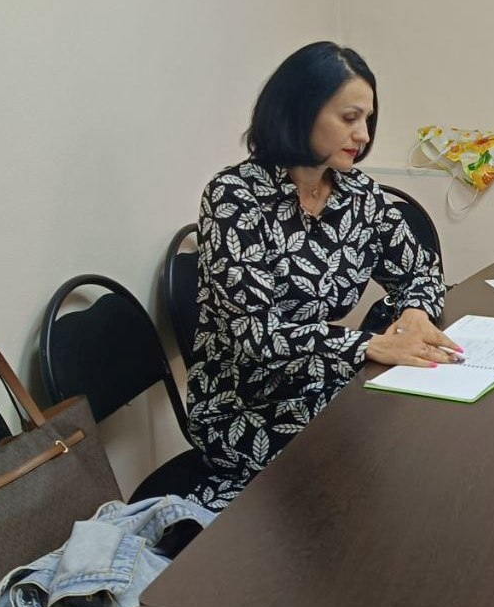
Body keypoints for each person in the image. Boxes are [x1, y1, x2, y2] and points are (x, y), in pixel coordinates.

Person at [186, 42, 458, 510]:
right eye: (349, 118)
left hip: (323, 379)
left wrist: (415, 312)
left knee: (419, 441)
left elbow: (423, 271)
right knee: (377, 466)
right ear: (300, 110)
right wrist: (369, 344)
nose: (363, 134)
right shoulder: (235, 197)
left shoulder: (358, 194)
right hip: (246, 405)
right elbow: (257, 336)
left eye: (368, 119)